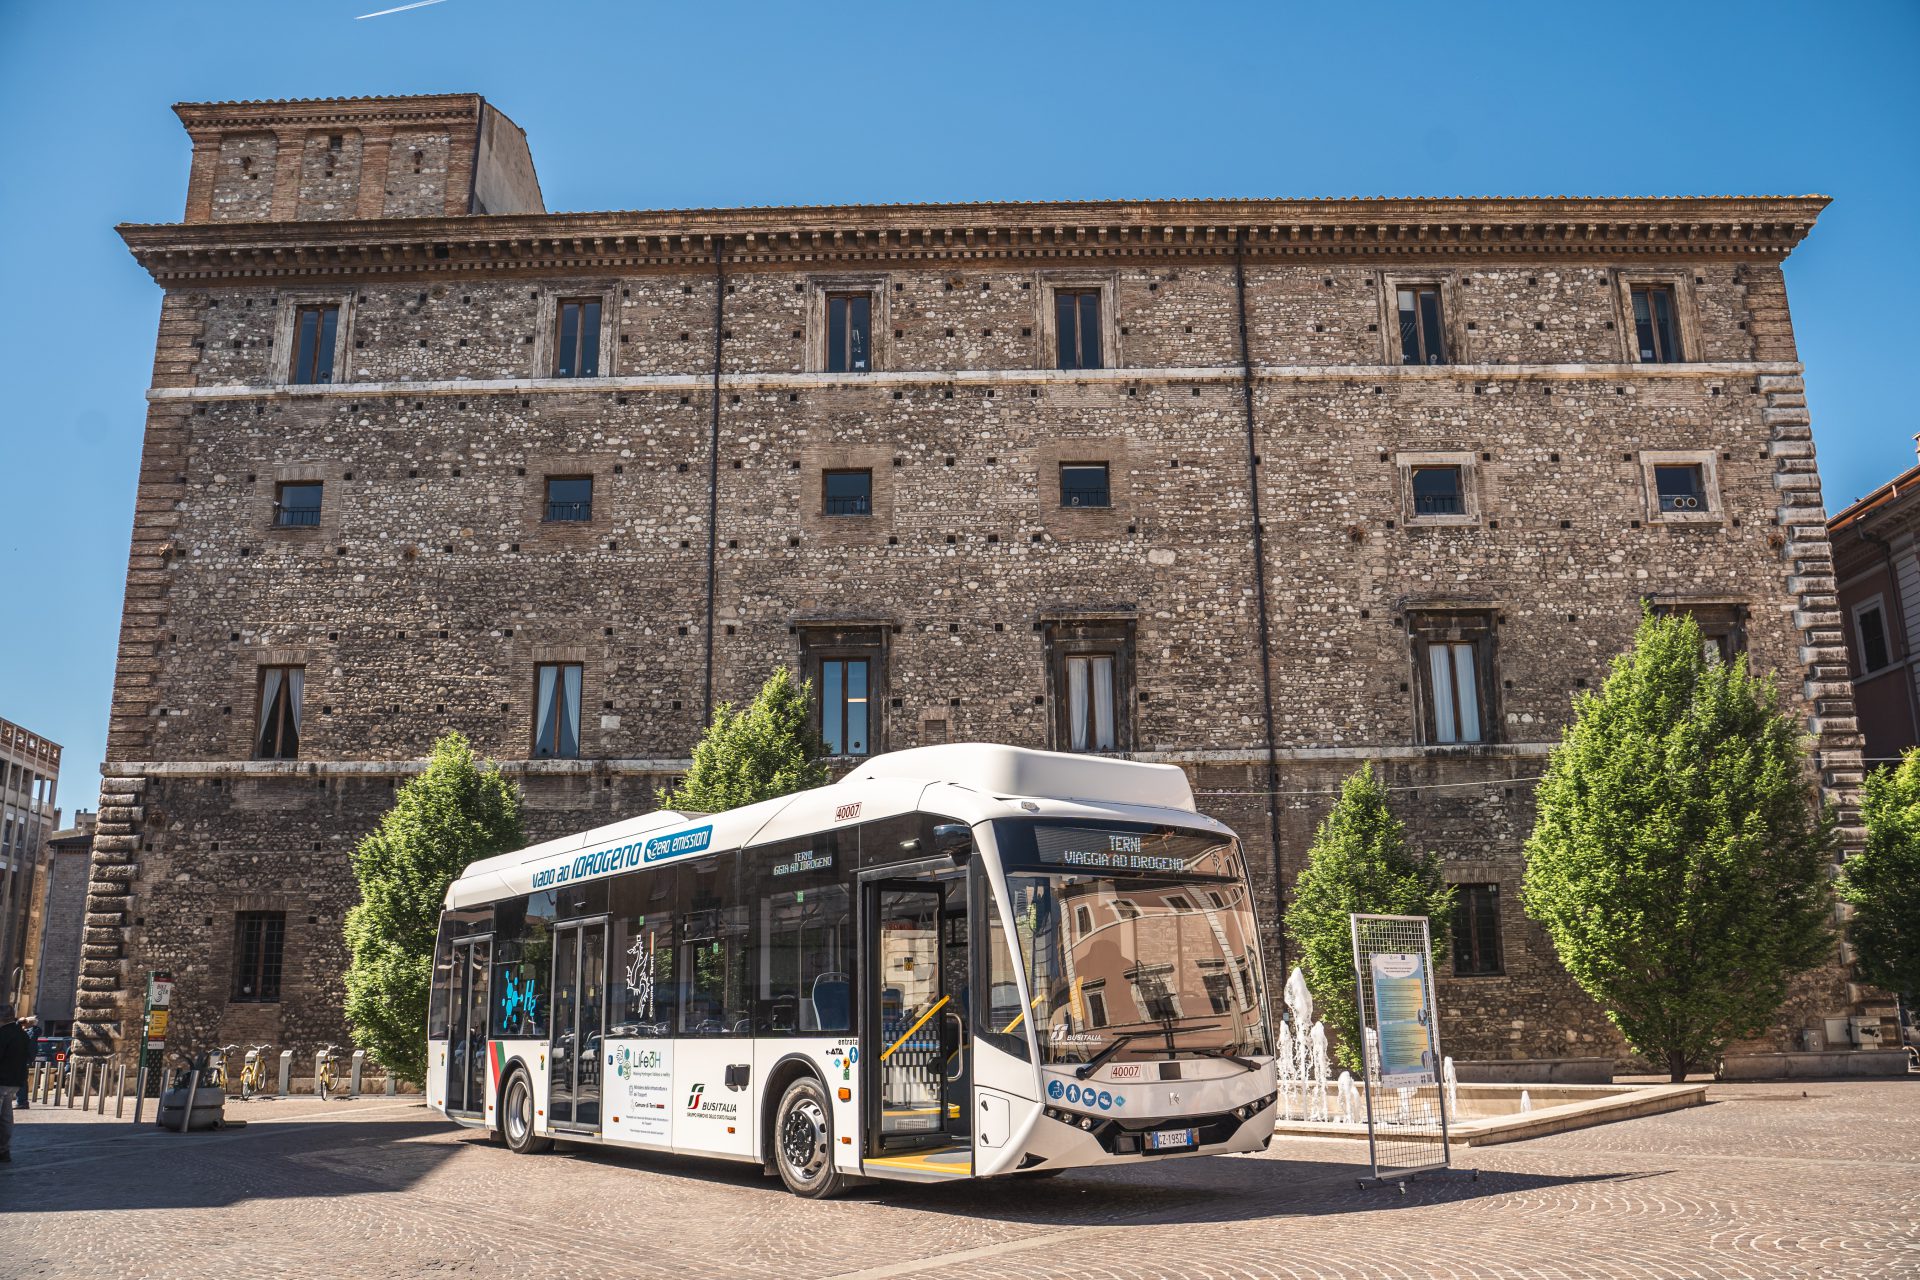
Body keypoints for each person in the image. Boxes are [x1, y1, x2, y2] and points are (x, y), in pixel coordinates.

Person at [0, 1005, 31, 1164]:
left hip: (2, 1080)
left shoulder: (3, 1034)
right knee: (6, 1117)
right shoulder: (22, 1035)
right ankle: (4, 1150)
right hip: (15, 1081)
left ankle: (3, 1150)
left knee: (4, 1116)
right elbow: (30, 1055)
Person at [15, 1018, 37, 1109]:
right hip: (23, 1060)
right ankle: (22, 1101)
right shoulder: (30, 1033)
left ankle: (22, 1102)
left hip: (21, 1060)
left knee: (21, 1081)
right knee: (22, 1081)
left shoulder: (29, 1034)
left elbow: (29, 1048)